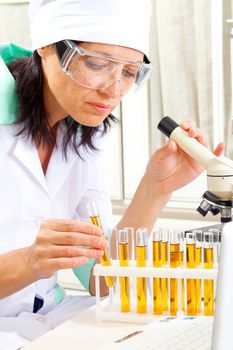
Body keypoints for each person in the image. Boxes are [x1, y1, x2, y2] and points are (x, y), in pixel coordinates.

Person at [0, 0, 223, 344]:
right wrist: (29, 261)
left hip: (49, 317)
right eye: (97, 64)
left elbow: (102, 279)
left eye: (130, 73)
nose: (114, 90)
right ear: (46, 46)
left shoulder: (84, 132)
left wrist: (157, 187)